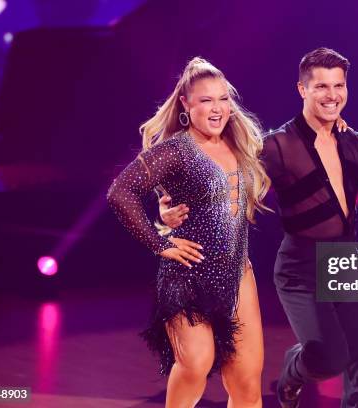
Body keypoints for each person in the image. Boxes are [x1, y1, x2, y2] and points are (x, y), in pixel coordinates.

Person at [160, 48, 358, 408]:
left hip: (347, 260)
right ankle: (294, 370)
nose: (332, 95)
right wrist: (169, 208)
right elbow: (224, 176)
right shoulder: (277, 145)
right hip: (301, 267)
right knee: (330, 357)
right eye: (321, 86)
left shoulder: (355, 143)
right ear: (302, 89)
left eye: (339, 86)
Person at [107, 57, 270, 408]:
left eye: (223, 99)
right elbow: (121, 192)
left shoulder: (243, 145)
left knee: (246, 384)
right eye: (206, 100)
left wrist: (330, 123)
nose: (217, 108)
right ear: (186, 104)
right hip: (187, 275)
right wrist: (159, 242)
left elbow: (295, 140)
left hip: (238, 276)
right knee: (196, 365)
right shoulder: (176, 149)